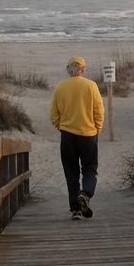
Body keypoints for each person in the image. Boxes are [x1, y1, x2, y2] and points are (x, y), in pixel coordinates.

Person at [49, 55, 105, 220]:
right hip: (88, 134)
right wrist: (97, 129)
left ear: (69, 69)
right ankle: (85, 194)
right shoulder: (91, 86)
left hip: (67, 136)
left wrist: (61, 127)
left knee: (71, 172)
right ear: (82, 69)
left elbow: (53, 114)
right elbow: (99, 111)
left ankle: (76, 209)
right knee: (89, 169)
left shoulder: (60, 87)